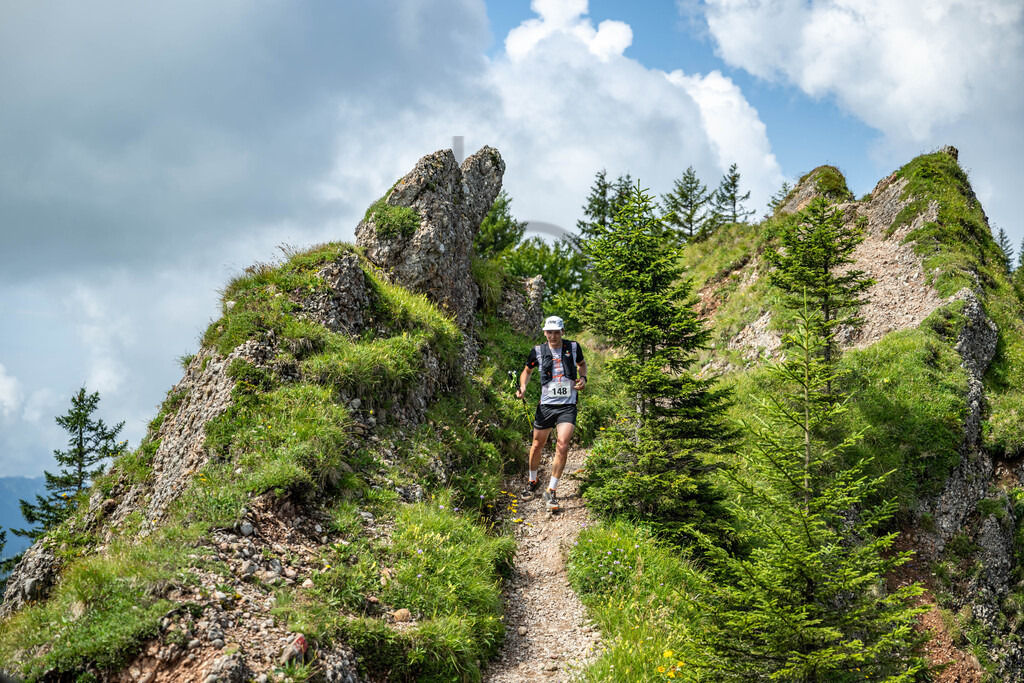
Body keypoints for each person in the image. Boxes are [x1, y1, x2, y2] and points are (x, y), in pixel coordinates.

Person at [516, 315, 587, 511]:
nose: (553, 336)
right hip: (546, 405)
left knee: (562, 445)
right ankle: (532, 481)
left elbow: (581, 365)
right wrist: (522, 387)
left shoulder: (573, 347)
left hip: (567, 405)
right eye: (550, 332)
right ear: (545, 333)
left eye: (557, 332)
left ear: (562, 332)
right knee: (537, 444)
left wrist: (583, 378)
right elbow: (527, 372)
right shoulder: (538, 351)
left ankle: (551, 490)